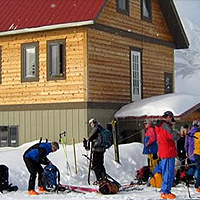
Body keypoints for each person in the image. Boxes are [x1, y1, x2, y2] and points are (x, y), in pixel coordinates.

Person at [155, 111, 180, 199]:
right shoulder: (166, 126)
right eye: (171, 118)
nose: (171, 120)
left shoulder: (158, 125)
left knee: (166, 171)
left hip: (163, 151)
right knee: (169, 173)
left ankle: (165, 190)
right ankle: (165, 191)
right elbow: (173, 136)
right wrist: (177, 133)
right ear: (169, 117)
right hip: (168, 151)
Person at [84, 118, 106, 185]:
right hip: (102, 149)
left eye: (90, 124)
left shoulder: (96, 129)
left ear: (92, 123)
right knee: (100, 164)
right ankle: (103, 178)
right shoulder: (100, 128)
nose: (90, 126)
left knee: (96, 165)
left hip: (97, 149)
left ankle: (99, 179)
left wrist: (87, 140)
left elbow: (91, 137)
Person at [193, 128, 200, 192]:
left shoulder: (196, 135)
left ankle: (197, 185)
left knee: (198, 169)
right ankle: (198, 185)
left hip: (196, 153)